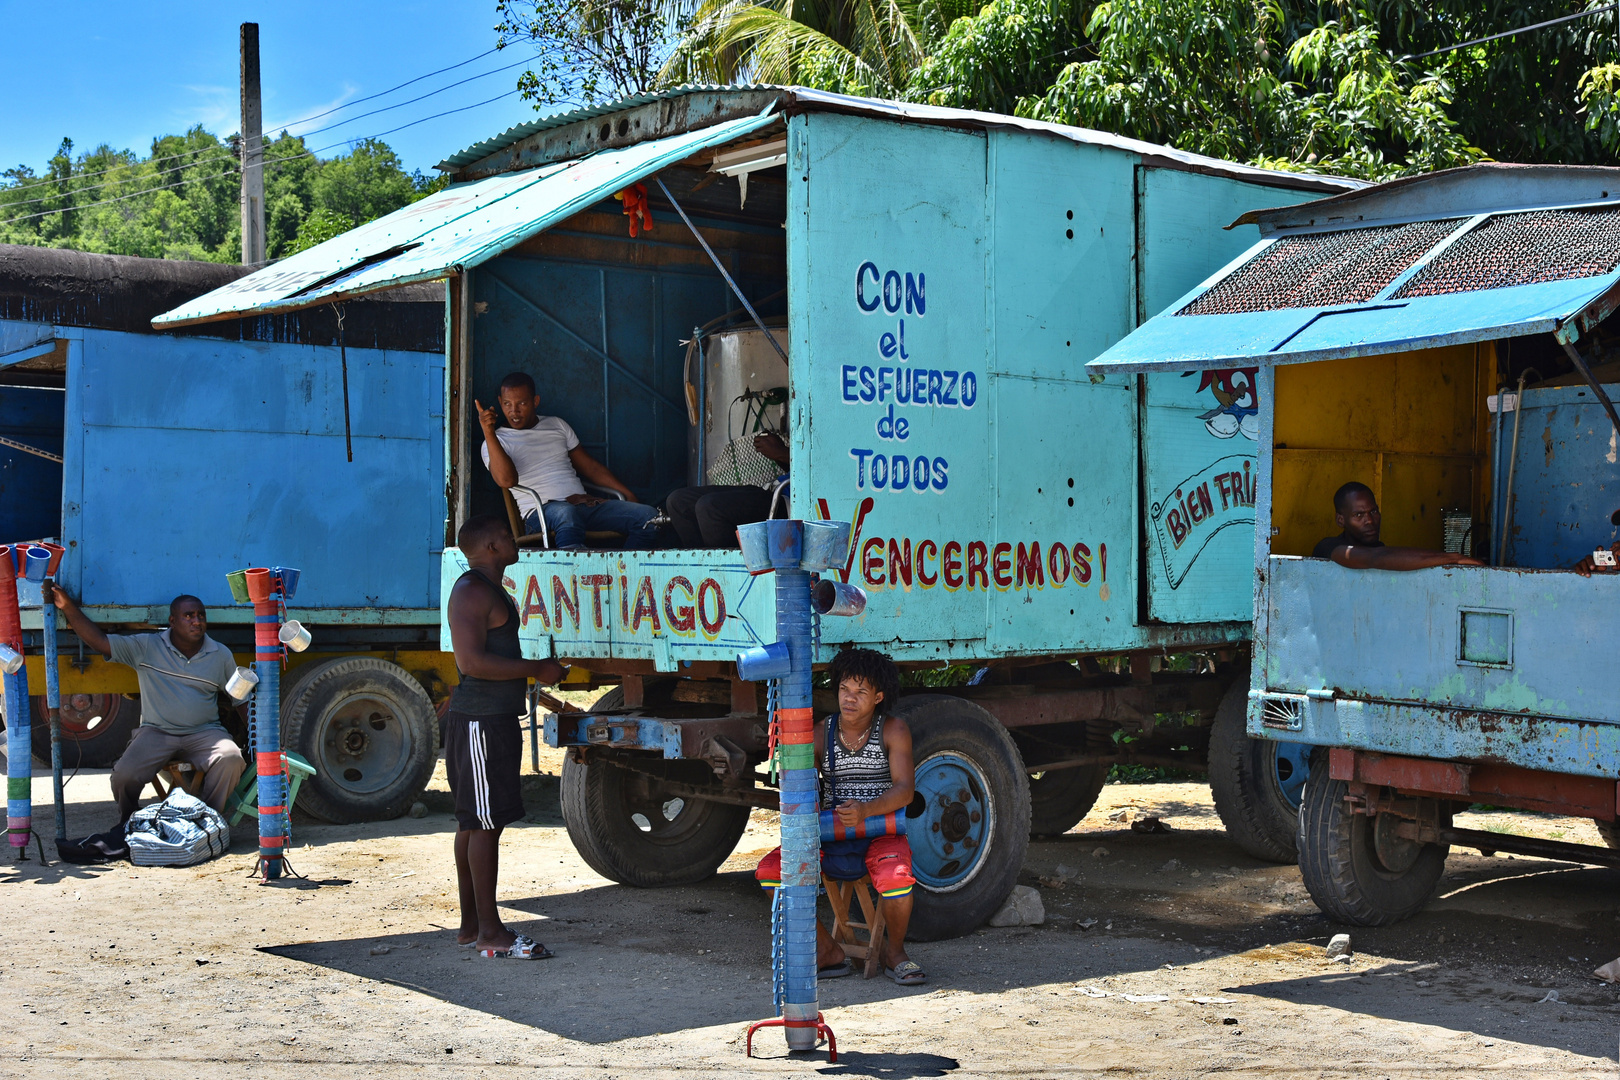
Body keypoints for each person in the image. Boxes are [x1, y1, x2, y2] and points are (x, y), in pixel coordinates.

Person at [755, 648, 927, 986]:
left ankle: (895, 954)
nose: (850, 699)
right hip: (832, 835)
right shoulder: (822, 733)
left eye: (861, 692)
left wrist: (864, 811)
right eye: (845, 689)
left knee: (897, 879)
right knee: (770, 872)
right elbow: (799, 787)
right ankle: (827, 950)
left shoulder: (893, 730)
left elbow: (905, 790)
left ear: (878, 697)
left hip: (882, 832)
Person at [445, 513, 567, 959]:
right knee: (483, 825)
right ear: (491, 547)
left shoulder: (484, 588)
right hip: (480, 721)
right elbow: (472, 663)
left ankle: (471, 925)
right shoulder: (473, 591)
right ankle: (491, 934)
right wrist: (537, 668)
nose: (512, 538)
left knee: (473, 823)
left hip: (488, 719)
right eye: (505, 534)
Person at [46, 588, 245, 824]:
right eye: (188, 616)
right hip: (156, 732)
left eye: (201, 616)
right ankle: (129, 821)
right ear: (172, 621)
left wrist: (260, 739)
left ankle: (208, 821)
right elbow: (100, 642)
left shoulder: (220, 654)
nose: (197, 621)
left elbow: (240, 699)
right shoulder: (147, 647)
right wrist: (68, 607)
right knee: (123, 776)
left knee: (231, 758)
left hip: (204, 733)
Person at [478, 371, 660, 550]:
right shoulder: (496, 441)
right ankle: (572, 576)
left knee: (649, 517)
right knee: (566, 513)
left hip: (582, 504)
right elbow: (506, 481)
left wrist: (628, 495)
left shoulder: (556, 424)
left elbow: (591, 468)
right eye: (507, 404)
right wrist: (488, 432)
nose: (514, 411)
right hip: (541, 514)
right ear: (500, 402)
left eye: (522, 403)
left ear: (535, 401)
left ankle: (625, 575)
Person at [1311, 481, 1482, 570]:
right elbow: (1375, 558)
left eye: (1374, 511)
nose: (1370, 520)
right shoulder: (1328, 547)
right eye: (1358, 515)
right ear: (1341, 520)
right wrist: (1454, 559)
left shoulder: (1380, 548)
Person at [664, 431, 790, 548]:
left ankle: (722, 567)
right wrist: (777, 454)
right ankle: (699, 562)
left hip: (789, 504)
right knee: (678, 501)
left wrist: (782, 452)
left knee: (709, 507)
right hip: (772, 491)